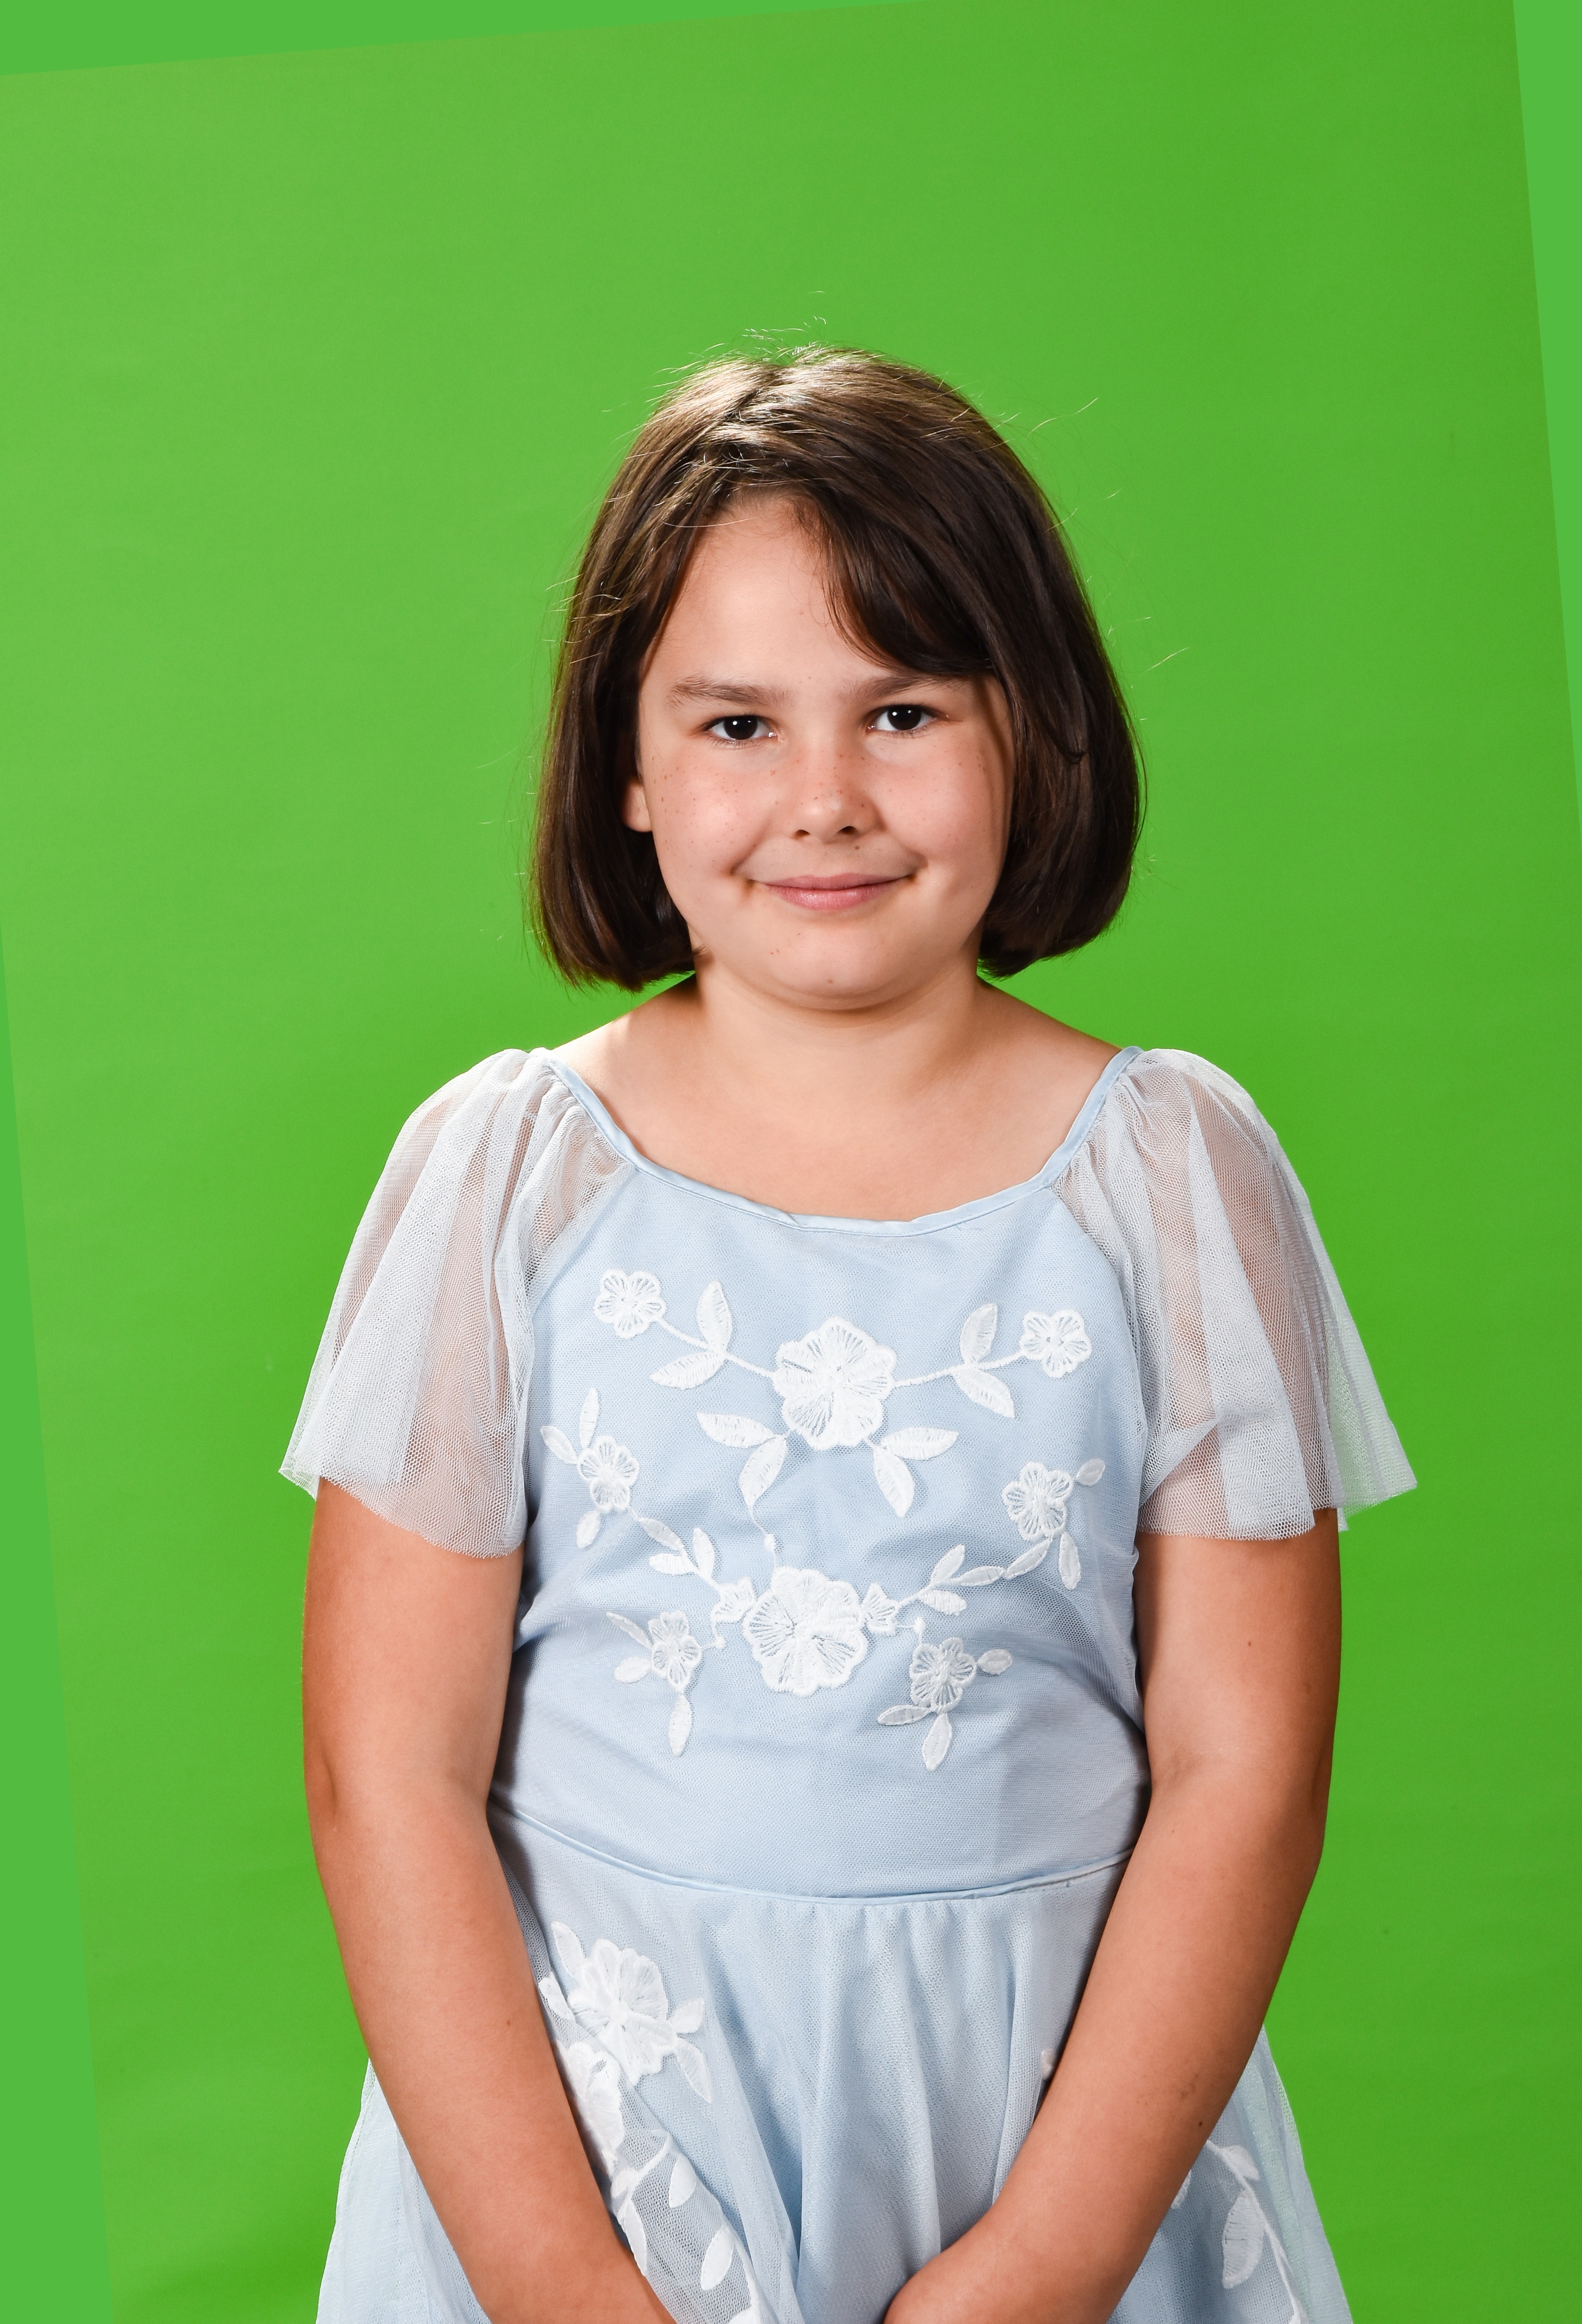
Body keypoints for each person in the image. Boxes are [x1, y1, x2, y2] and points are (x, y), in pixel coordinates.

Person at [286, 348, 1414, 2324]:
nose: (824, 799)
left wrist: (1049, 2261)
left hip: (1050, 2146)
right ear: (628, 768)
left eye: (904, 712)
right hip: (598, 2156)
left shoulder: (1167, 1178)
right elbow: (389, 1770)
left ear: (1033, 733)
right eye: (737, 723)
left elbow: (1247, 1770)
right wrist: (559, 2280)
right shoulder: (510, 1177)